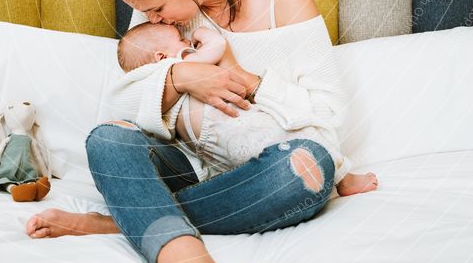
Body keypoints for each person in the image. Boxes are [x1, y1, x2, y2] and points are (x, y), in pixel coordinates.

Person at [25, 0, 372, 263]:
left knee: (309, 168)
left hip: (271, 168)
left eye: (155, 9)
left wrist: (245, 81)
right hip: (189, 165)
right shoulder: (164, 19)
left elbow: (329, 113)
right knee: (107, 139)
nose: (155, 22)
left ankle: (125, 220)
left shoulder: (286, 0)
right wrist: (183, 78)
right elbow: (121, 100)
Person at [117, 20, 378, 197]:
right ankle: (341, 176)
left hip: (217, 143)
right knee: (303, 135)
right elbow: (216, 49)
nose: (186, 39)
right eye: (179, 38)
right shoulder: (178, 66)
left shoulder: (157, 87)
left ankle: (328, 177)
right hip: (235, 126)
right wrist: (204, 35)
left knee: (280, 151)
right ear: (161, 57)